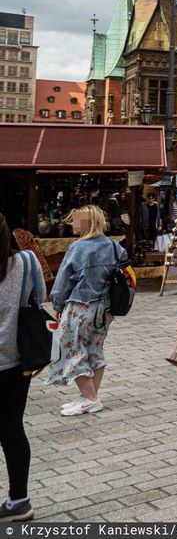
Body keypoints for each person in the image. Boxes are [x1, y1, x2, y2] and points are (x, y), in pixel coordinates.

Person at [47, 206, 127, 416]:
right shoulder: (114, 246)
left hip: (80, 305)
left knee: (70, 349)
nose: (70, 224)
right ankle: (90, 397)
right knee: (95, 349)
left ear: (85, 222)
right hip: (105, 308)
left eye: (74, 220)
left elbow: (63, 280)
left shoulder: (78, 248)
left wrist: (57, 305)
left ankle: (90, 398)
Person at [0, 214, 44, 522]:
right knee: (12, 429)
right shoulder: (27, 262)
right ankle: (19, 500)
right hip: (17, 360)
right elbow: (38, 299)